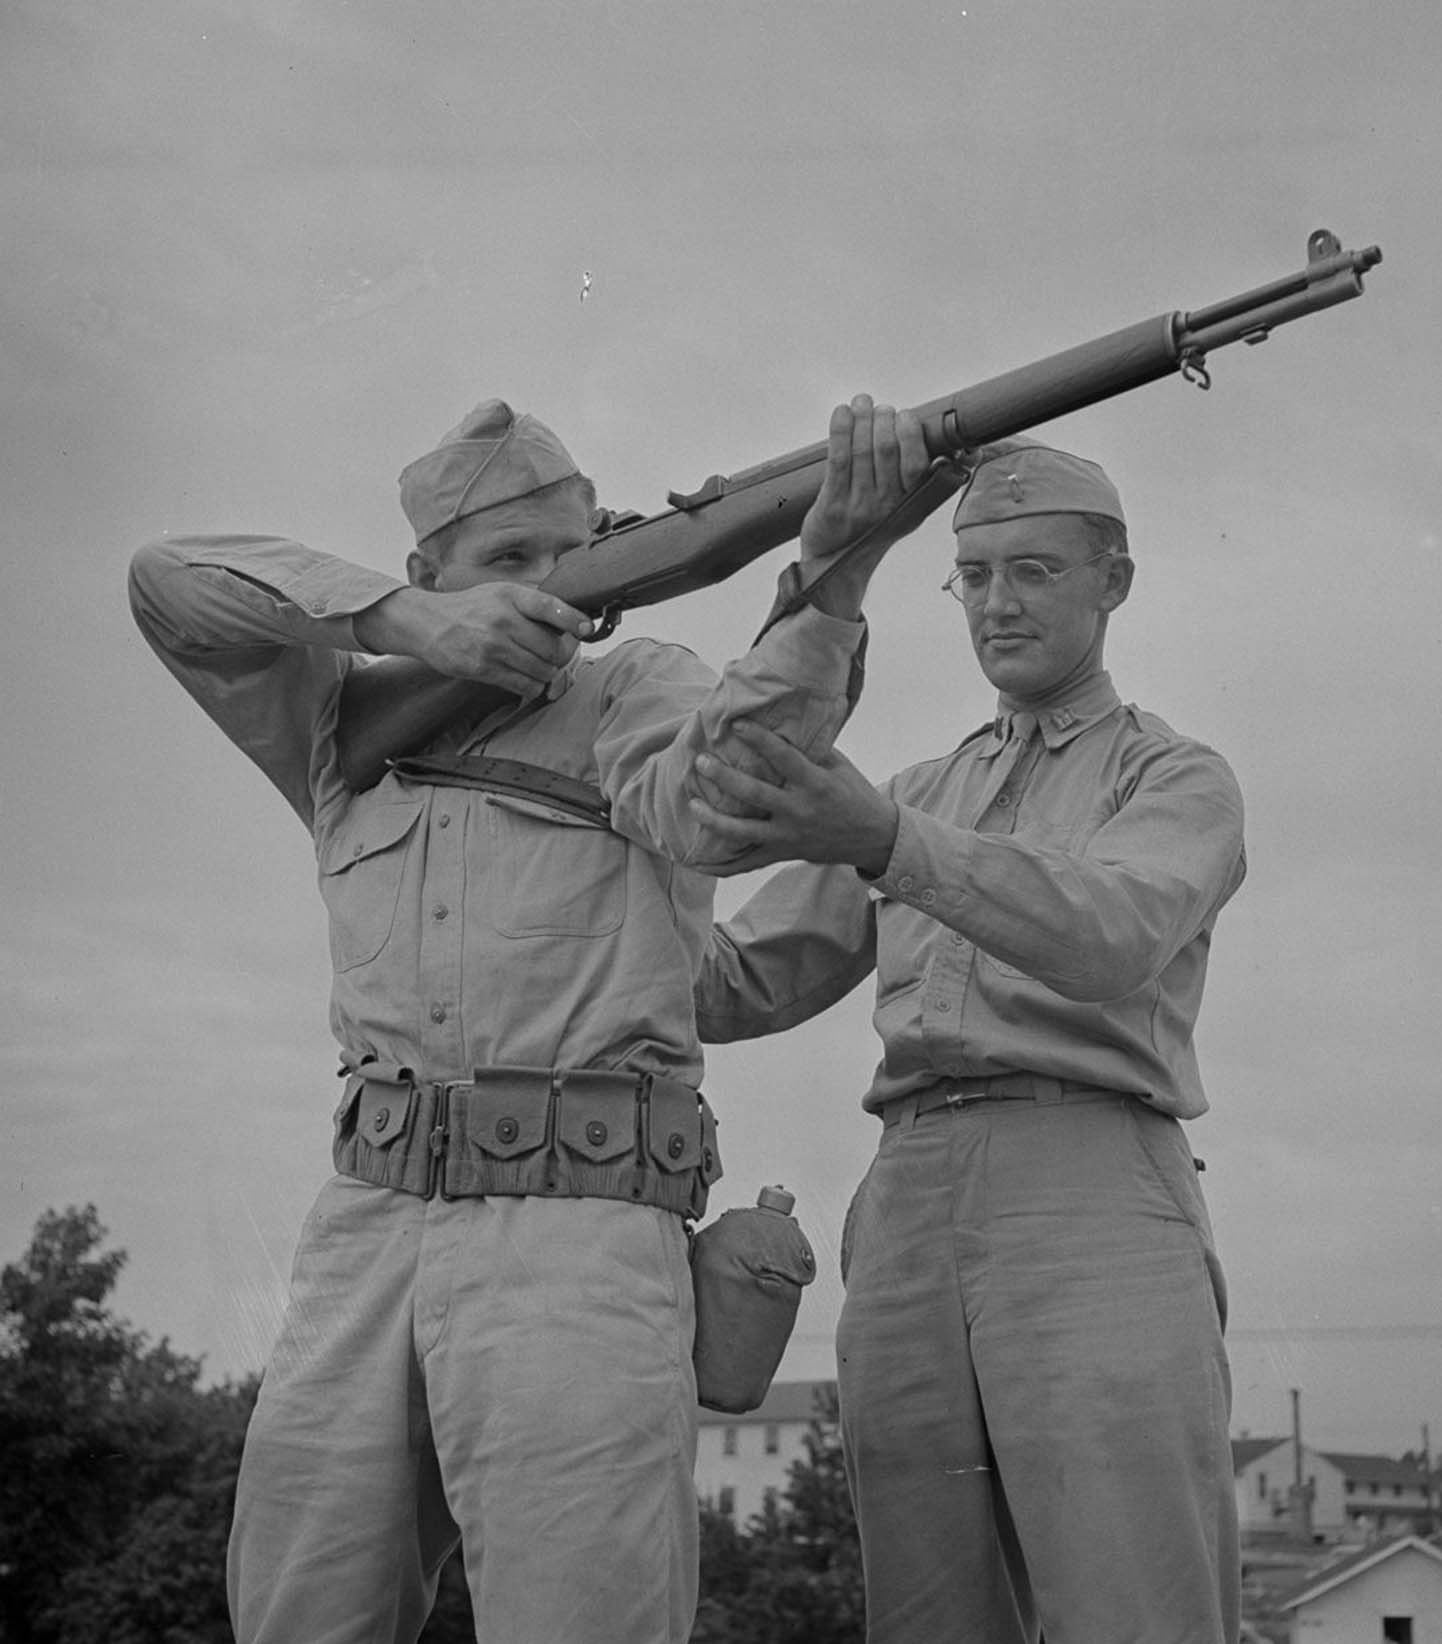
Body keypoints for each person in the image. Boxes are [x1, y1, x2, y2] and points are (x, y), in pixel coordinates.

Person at [127, 392, 959, 1644]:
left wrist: (833, 574)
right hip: (366, 1233)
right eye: (503, 563)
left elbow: (718, 802)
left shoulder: (641, 686)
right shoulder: (344, 715)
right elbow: (167, 582)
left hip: (579, 1242)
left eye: (567, 555)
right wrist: (411, 630)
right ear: (426, 575)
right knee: (298, 1612)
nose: (543, 588)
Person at [689, 439, 1247, 1644]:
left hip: (1091, 1190)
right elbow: (731, 986)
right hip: (903, 1212)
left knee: (1128, 1608)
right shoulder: (917, 789)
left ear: (1116, 580)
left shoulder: (1176, 778)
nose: (997, 603)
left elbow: (1111, 937)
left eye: (1034, 570)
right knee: (927, 1615)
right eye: (973, 574)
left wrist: (885, 842)